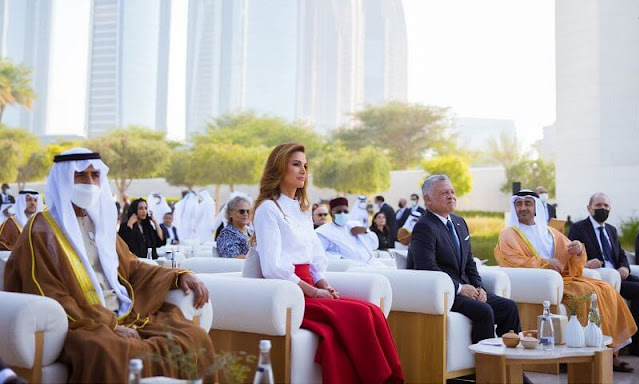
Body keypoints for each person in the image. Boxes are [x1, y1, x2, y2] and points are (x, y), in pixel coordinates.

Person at [4, 148, 214, 382]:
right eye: (81, 175)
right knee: (109, 350)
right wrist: (108, 324)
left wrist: (178, 276)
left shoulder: (100, 224)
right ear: (63, 179)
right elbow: (48, 292)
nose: (90, 183)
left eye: (95, 176)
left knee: (193, 336)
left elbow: (132, 268)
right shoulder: (41, 230)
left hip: (125, 313)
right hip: (81, 322)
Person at [251, 143, 403, 384]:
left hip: (311, 287)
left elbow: (314, 256)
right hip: (293, 293)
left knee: (372, 309)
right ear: (279, 168)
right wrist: (313, 290)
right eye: (296, 164)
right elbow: (272, 267)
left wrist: (324, 283)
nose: (303, 171)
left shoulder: (302, 210)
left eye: (305, 166)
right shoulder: (268, 209)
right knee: (360, 314)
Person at [495, 190, 637, 371]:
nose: (523, 208)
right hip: (541, 283)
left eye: (528, 204)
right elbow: (510, 260)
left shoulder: (550, 232)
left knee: (606, 288)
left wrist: (578, 250)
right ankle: (584, 355)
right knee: (585, 295)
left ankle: (609, 351)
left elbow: (569, 258)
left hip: (564, 279)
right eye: (519, 204)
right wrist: (545, 263)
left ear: (536, 207)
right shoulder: (509, 234)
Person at [407, 175, 522, 344]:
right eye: (444, 193)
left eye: (452, 191)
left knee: (509, 307)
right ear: (428, 199)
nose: (451, 196)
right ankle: (486, 368)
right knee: (484, 311)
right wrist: (460, 288)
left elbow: (469, 263)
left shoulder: (459, 222)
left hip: (467, 288)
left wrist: (479, 287)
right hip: (444, 292)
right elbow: (427, 268)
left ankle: (510, 366)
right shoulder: (424, 226)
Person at [569, 192, 639, 358]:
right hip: (601, 277)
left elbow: (621, 253)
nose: (602, 209)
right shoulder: (578, 228)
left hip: (619, 275)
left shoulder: (611, 229)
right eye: (598, 206)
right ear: (589, 208)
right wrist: (585, 263)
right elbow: (571, 255)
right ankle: (636, 346)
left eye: (606, 206)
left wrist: (624, 267)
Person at [316, 197, 385, 266]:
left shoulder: (354, 225)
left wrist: (365, 230)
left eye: (345, 212)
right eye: (339, 212)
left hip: (372, 263)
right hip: (352, 269)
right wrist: (341, 259)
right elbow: (319, 254)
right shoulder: (324, 232)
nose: (342, 214)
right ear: (331, 213)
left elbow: (374, 245)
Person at [216, 194, 252, 259]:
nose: (246, 214)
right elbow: (232, 257)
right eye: (242, 211)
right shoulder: (227, 234)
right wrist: (258, 258)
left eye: (248, 211)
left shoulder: (250, 231)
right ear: (230, 213)